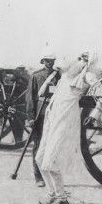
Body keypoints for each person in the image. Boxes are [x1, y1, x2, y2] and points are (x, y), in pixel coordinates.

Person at [36, 51, 99, 204]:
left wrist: (95, 114)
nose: (79, 61)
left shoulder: (87, 76)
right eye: (79, 57)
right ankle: (52, 194)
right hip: (52, 119)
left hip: (65, 121)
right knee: (39, 158)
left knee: (50, 161)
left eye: (84, 59)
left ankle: (62, 198)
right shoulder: (65, 75)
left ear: (88, 63)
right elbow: (44, 92)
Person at [26, 46, 61, 187]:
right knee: (39, 145)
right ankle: (38, 176)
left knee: (53, 146)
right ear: (43, 61)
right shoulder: (36, 76)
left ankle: (51, 175)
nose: (50, 63)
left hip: (54, 113)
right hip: (40, 114)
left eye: (52, 60)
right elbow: (30, 98)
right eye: (47, 61)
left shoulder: (59, 76)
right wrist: (30, 117)